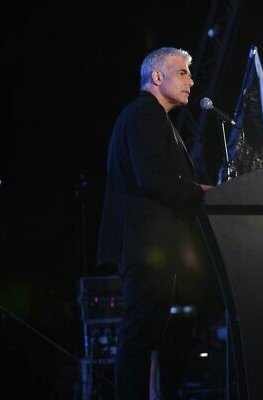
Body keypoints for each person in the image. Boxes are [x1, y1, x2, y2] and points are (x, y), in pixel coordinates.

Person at [97, 47, 212, 400]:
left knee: (144, 337)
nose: (191, 81)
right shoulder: (145, 113)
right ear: (157, 77)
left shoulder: (150, 116)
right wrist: (200, 191)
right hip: (146, 245)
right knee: (138, 338)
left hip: (149, 245)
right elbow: (151, 177)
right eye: (182, 72)